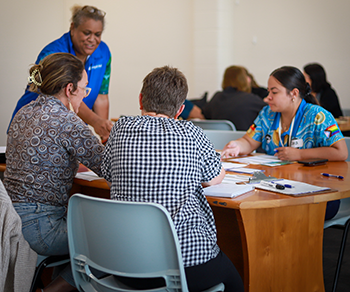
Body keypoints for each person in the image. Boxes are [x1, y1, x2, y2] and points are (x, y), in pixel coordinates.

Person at [102, 66, 244, 292]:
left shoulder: (120, 129)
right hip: (184, 266)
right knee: (236, 281)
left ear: (141, 100)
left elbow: (108, 176)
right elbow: (213, 178)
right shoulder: (192, 133)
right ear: (180, 109)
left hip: (125, 266)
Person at [4, 53, 105, 292]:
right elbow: (109, 167)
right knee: (108, 241)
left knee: (83, 231)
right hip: (41, 228)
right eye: (84, 89)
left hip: (10, 222)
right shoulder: (68, 121)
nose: (85, 96)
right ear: (69, 89)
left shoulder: (22, 113)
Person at [221, 66, 348, 219]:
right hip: (275, 188)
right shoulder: (267, 113)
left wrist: (299, 154)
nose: (268, 97)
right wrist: (237, 145)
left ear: (293, 94)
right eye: (268, 91)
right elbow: (249, 140)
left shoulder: (318, 116)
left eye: (274, 92)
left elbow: (341, 152)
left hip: (318, 193)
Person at [8, 5, 113, 141]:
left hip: (68, 130)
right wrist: (95, 121)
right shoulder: (53, 53)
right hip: (34, 128)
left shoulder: (103, 52)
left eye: (97, 34)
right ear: (73, 27)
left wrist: (104, 131)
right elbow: (65, 96)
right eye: (87, 33)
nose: (92, 39)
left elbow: (101, 97)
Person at [202, 66, 266, 130]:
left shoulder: (216, 97)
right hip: (243, 138)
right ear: (245, 80)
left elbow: (205, 115)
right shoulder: (252, 100)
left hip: (216, 139)